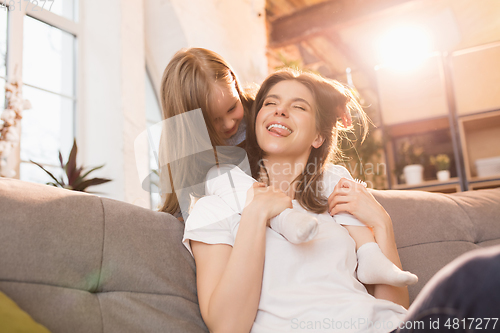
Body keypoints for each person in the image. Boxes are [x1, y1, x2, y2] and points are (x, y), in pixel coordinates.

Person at [182, 69, 412, 332]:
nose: (280, 110)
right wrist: (256, 213)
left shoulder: (337, 201)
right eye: (270, 103)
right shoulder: (214, 208)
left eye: (299, 106)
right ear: (256, 122)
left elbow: (395, 309)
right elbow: (227, 327)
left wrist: (382, 223)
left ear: (318, 136)